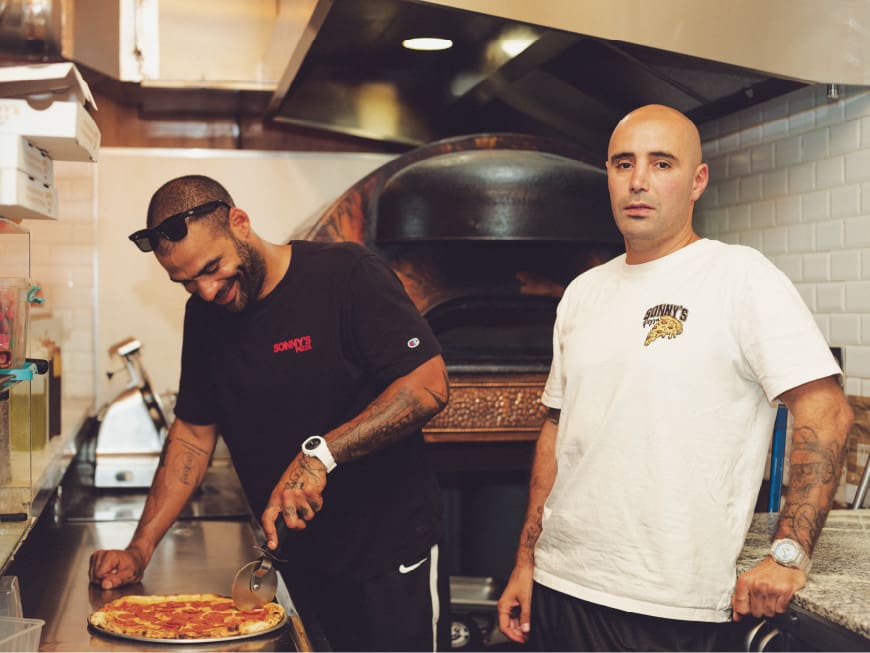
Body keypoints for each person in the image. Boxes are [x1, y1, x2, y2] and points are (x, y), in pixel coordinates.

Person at [496, 104, 853, 651]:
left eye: (662, 164)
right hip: (561, 586)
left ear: (697, 181)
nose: (639, 181)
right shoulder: (582, 293)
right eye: (623, 164)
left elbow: (826, 410)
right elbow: (558, 430)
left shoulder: (738, 276)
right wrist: (527, 560)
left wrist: (789, 552)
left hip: (669, 603)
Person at [88, 175, 451, 652]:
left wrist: (321, 455)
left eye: (213, 268)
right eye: (186, 282)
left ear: (240, 224)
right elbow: (194, 435)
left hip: (388, 557)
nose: (207, 290)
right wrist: (141, 547)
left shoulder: (347, 274)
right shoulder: (204, 316)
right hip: (299, 566)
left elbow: (428, 386)